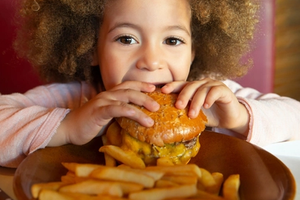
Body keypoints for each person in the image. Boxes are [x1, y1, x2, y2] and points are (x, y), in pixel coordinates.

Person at [1, 0, 299, 168]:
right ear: (92, 49)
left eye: (172, 40)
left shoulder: (210, 99)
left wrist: (239, 117)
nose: (151, 61)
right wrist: (68, 125)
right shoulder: (74, 100)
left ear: (194, 51)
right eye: (126, 38)